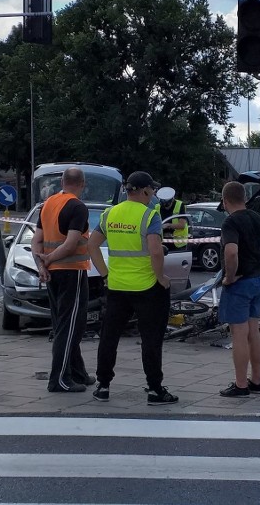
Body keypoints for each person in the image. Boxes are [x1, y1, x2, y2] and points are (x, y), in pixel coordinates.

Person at [87, 171, 178, 406]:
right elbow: (156, 251)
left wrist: (105, 274)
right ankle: (155, 389)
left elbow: (92, 245)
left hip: (117, 286)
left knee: (109, 337)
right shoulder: (150, 216)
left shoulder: (110, 214)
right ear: (145, 190)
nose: (154, 194)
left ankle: (103, 386)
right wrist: (161, 277)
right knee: (151, 339)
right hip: (147, 287)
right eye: (153, 190)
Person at [30, 167, 94, 393]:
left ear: (62, 181)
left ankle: (78, 373)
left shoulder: (48, 204)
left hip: (52, 274)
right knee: (71, 327)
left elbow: (36, 241)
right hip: (71, 271)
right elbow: (70, 244)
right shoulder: (78, 207)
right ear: (82, 184)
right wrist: (49, 259)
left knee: (64, 324)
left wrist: (42, 265)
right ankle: (59, 379)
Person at [217, 180, 260, 398]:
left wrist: (229, 278)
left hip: (239, 284)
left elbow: (231, 253)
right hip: (258, 279)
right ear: (244, 198)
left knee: (238, 334)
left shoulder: (231, 222)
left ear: (225, 200)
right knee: (253, 332)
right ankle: (256, 381)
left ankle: (241, 385)